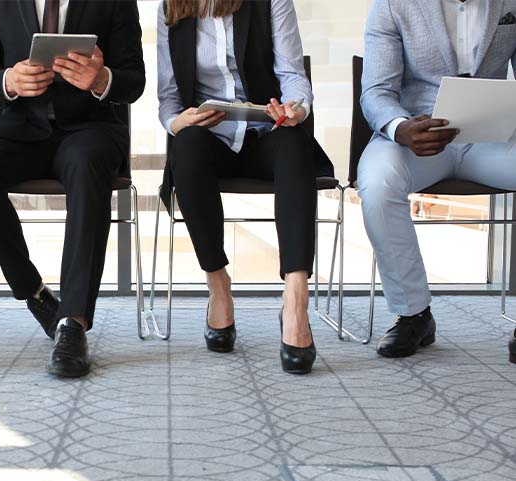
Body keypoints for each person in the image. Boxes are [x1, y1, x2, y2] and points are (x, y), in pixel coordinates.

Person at [0, 0, 145, 378]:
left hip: (91, 128)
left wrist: (102, 78)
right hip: (19, 126)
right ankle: (36, 293)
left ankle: (72, 323)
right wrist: (8, 81)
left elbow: (134, 80)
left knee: (89, 165)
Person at [157, 0, 333, 374]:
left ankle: (296, 300)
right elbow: (168, 97)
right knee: (185, 147)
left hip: (264, 130)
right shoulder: (171, 6)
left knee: (294, 141)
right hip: (209, 138)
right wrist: (179, 121)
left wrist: (294, 108)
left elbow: (293, 74)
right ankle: (218, 286)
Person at [359, 1, 516, 362]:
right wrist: (400, 129)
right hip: (418, 136)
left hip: (493, 138)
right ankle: (414, 313)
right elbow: (376, 91)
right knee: (379, 181)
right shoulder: (391, 5)